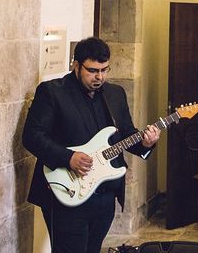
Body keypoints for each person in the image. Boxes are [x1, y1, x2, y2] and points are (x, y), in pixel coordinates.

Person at [22, 37, 161, 253]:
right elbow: (32, 136)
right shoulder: (52, 92)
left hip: (105, 196)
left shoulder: (115, 93)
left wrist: (145, 143)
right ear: (76, 65)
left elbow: (124, 134)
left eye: (105, 70)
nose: (100, 77)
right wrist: (68, 157)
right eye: (93, 70)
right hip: (66, 193)